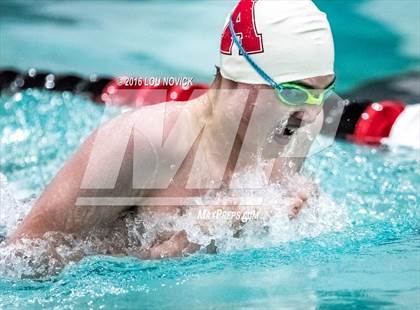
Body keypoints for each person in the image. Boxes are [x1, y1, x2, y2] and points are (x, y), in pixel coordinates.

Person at [8, 0, 336, 260]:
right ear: (237, 80)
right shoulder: (144, 143)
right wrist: (195, 235)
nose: (311, 114)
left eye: (323, 92)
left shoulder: (297, 132)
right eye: (293, 93)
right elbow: (23, 262)